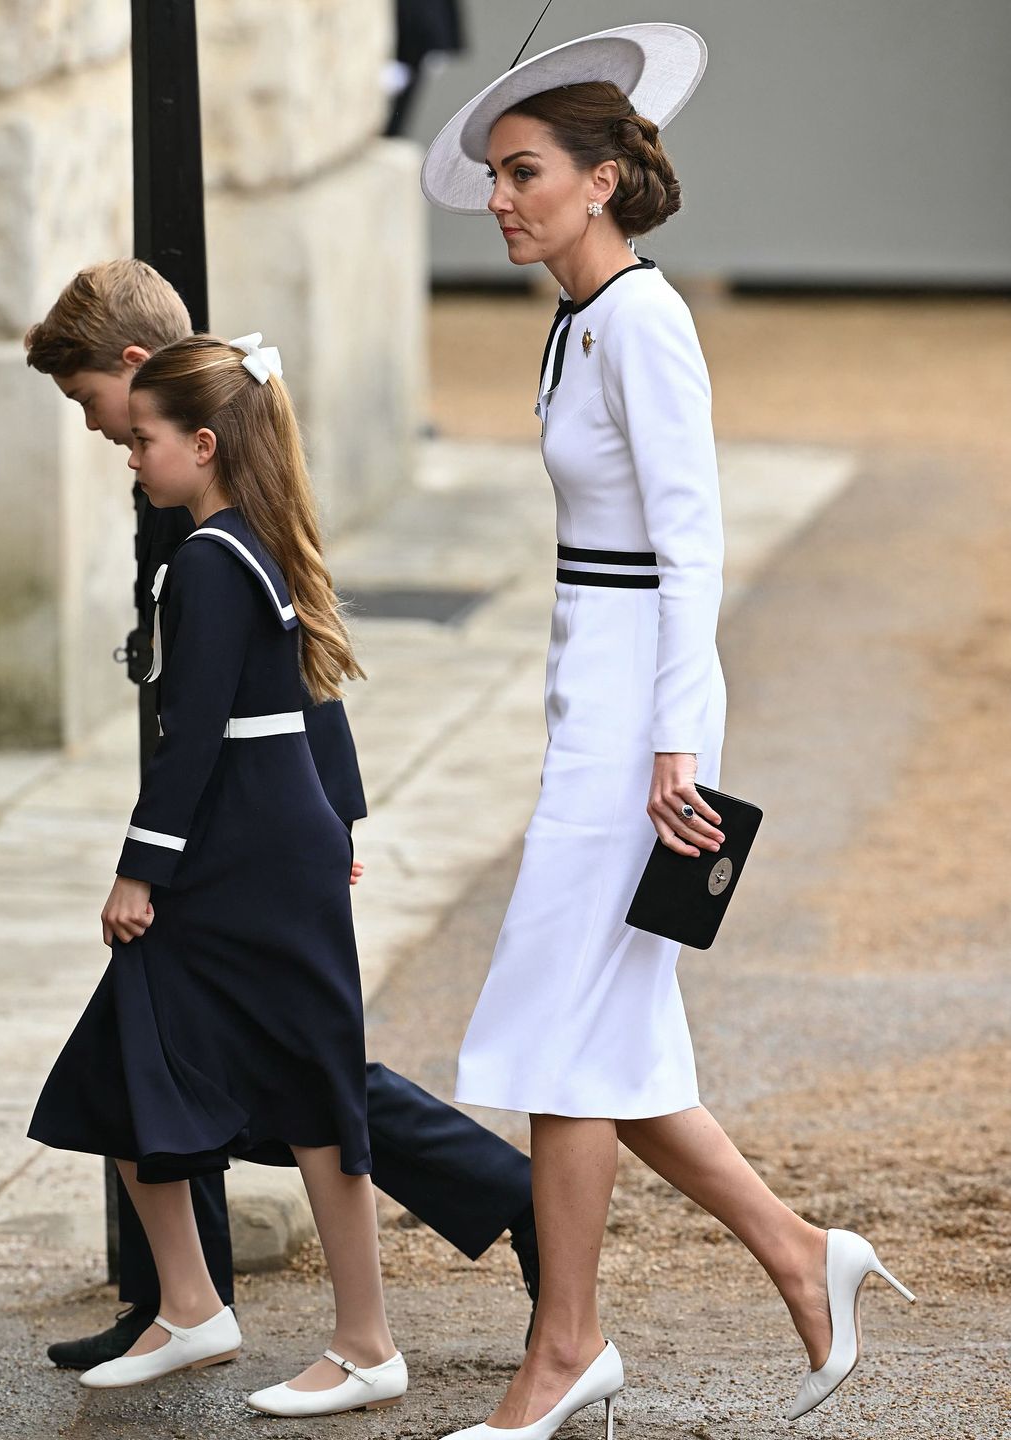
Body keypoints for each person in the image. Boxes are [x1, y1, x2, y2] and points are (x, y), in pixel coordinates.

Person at [419, 23, 916, 1437]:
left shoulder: (645, 321)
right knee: (610, 1045)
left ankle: (567, 1343)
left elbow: (693, 547)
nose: (503, 198)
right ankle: (798, 1253)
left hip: (645, 717)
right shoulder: (575, 320)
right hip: (598, 694)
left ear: (603, 180)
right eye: (498, 175)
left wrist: (677, 749)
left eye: (525, 173)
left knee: (558, 1032)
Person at [23, 263, 539, 1372]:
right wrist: (330, 814)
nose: (108, 443)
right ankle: (186, 1304)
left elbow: (233, 715)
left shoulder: (207, 527)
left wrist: (160, 862)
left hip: (244, 843)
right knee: (159, 1063)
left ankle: (351, 1316)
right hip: (262, 831)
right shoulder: (231, 498)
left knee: (307, 1081)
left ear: (145, 391)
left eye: (102, 418)